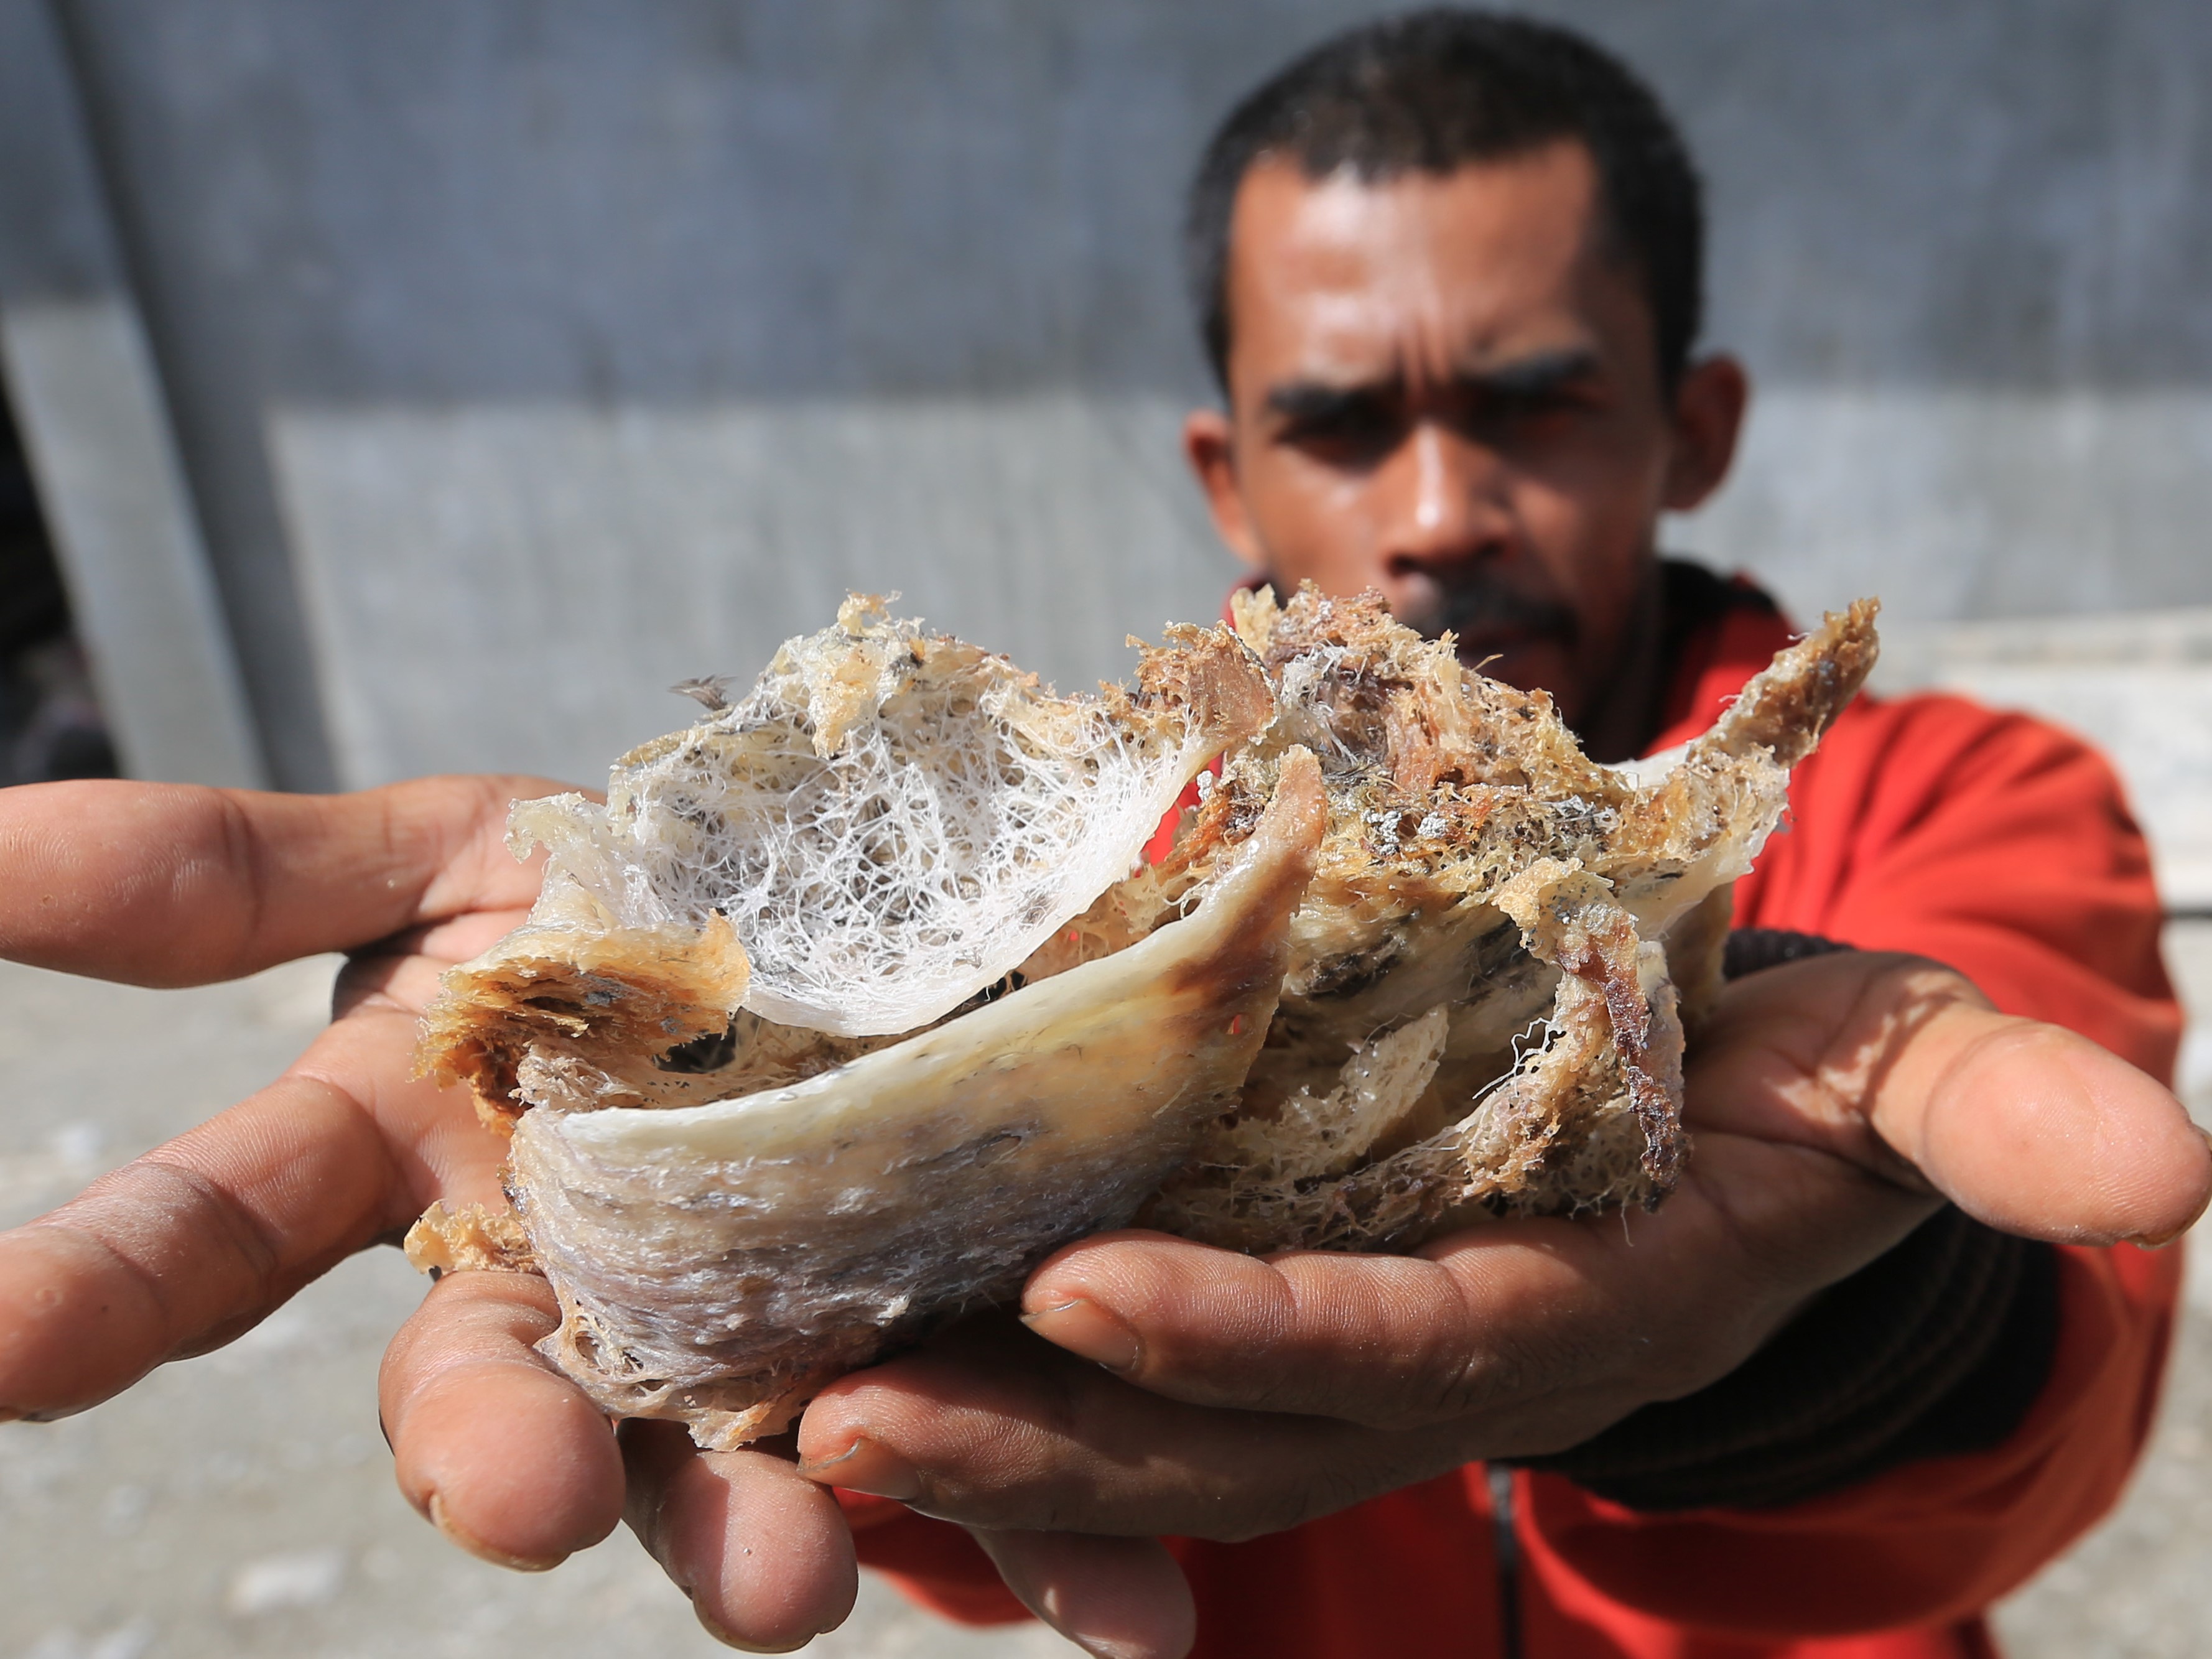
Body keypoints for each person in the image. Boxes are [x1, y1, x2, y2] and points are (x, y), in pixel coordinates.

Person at [0, 11, 2202, 1659]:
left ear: (1688, 425)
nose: (1437, 511)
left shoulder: (1958, 800)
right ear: (1226, 477)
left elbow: (2046, 1430)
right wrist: (797, 1207)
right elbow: (944, 1514)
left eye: (1535, 400)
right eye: (1341, 423)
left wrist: (1806, 1304)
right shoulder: (1083, 869)